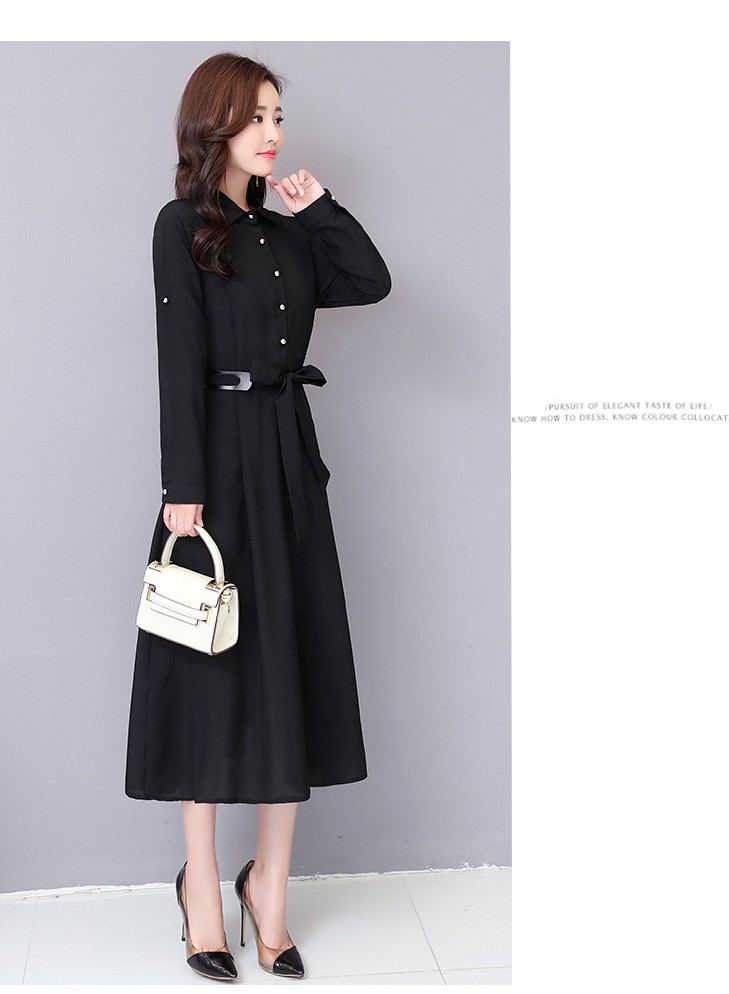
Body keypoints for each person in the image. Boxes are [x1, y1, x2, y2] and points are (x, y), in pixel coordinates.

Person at [124, 52, 392, 983]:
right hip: (215, 469)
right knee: (206, 671)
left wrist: (320, 210)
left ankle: (267, 887)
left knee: (291, 665)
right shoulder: (182, 228)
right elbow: (177, 359)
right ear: (215, 125)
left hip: (287, 460)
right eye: (254, 117)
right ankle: (202, 886)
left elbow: (369, 281)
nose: (272, 133)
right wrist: (182, 487)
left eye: (279, 115)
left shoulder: (287, 233)